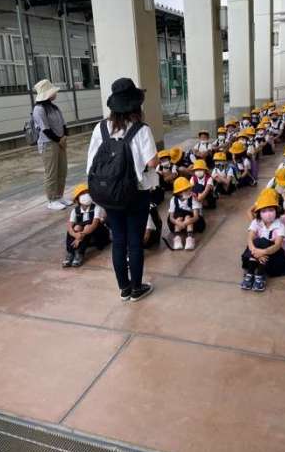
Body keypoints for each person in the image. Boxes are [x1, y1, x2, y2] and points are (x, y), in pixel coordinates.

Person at [87, 77, 158, 302]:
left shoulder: (100, 128)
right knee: (134, 241)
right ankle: (137, 288)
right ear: (135, 105)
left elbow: (91, 164)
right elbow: (152, 162)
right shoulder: (141, 129)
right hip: (136, 193)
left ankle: (124, 288)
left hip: (109, 193)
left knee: (118, 239)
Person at [240, 188, 285, 292]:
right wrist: (255, 252)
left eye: (271, 210)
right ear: (259, 213)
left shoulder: (280, 225)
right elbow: (250, 238)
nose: (268, 214)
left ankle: (259, 275)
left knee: (262, 242)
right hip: (256, 252)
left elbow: (277, 245)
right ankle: (251, 273)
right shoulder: (256, 222)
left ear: (276, 210)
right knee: (257, 242)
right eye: (264, 211)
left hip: (273, 255)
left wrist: (263, 252)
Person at [32, 79, 71, 210]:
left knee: (62, 170)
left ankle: (59, 196)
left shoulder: (54, 107)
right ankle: (52, 199)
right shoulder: (39, 109)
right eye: (53, 92)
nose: (55, 94)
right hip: (48, 144)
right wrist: (59, 139)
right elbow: (45, 129)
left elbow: (63, 124)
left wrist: (64, 136)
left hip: (60, 142)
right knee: (51, 173)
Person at [62, 183, 110, 268]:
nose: (86, 195)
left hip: (98, 232)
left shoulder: (96, 208)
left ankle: (80, 253)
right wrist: (75, 235)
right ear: (77, 199)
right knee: (76, 227)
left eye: (87, 193)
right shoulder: (75, 211)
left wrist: (81, 236)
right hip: (83, 234)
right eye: (82, 194)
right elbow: (69, 226)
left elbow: (94, 225)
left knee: (87, 226)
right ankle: (70, 252)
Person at [168, 176, 206, 250]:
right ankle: (177, 238)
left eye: (189, 188)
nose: (189, 191)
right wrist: (177, 222)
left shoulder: (193, 198)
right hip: (179, 222)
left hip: (194, 222)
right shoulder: (173, 200)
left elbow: (196, 217)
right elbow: (171, 217)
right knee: (178, 218)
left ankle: (190, 238)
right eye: (186, 190)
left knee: (188, 217)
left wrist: (185, 223)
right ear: (179, 192)